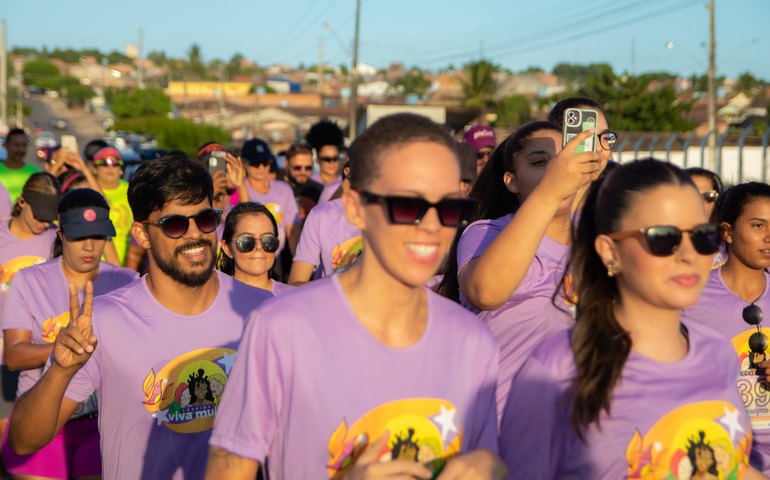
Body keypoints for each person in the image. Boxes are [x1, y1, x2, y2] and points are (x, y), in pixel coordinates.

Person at [206, 113, 506, 479]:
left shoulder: (473, 341)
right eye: (408, 206)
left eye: (448, 209)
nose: (431, 226)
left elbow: (483, 458)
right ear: (353, 206)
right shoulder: (280, 330)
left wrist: (490, 469)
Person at [7, 157, 273, 479]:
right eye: (175, 224)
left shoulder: (261, 312)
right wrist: (60, 371)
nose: (195, 235)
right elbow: (23, 441)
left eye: (205, 219)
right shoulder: (104, 321)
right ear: (142, 235)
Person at [498, 159, 762, 479]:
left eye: (702, 235)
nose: (689, 254)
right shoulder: (558, 368)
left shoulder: (717, 352)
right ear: (610, 251)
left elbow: (734, 467)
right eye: (664, 237)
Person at [438, 121, 600, 416]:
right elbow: (485, 292)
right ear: (511, 181)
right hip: (502, 430)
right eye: (541, 162)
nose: (557, 171)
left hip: (577, 436)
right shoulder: (486, 233)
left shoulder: (598, 245)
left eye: (564, 160)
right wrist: (550, 192)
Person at [1, 188, 138, 480]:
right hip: (40, 417)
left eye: (98, 236)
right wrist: (63, 350)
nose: (89, 247)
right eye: (79, 237)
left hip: (102, 424)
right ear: (60, 234)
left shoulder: (127, 282)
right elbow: (13, 356)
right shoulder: (30, 279)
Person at [682, 182, 770, 474]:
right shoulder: (689, 298)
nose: (769, 237)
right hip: (719, 458)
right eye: (758, 225)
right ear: (727, 231)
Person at [0, 173, 60, 401]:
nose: (44, 223)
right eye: (39, 216)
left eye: (50, 217)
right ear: (22, 201)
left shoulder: (56, 237)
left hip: (41, 347)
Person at [288, 163, 363, 285]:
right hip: (331, 301)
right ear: (348, 172)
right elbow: (295, 283)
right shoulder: (322, 214)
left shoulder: (394, 212)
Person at [240, 138, 299, 259]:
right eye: (255, 163)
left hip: (276, 259)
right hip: (249, 257)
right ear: (244, 163)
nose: (261, 167)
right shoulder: (238, 189)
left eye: (265, 162)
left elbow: (292, 228)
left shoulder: (284, 189)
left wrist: (298, 259)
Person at [218, 202, 293, 295]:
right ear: (227, 248)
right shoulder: (211, 300)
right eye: (246, 241)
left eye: (268, 240)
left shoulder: (293, 298)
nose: (258, 247)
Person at [87, 147, 132, 265]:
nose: (110, 167)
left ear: (121, 169)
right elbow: (104, 203)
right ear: (95, 169)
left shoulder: (130, 191)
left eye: (116, 163)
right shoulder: (85, 190)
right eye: (104, 163)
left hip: (124, 264)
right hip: (94, 264)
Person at [283, 142, 324, 218]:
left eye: (308, 168)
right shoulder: (275, 188)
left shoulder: (319, 190)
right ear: (286, 164)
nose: (303, 172)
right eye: (297, 168)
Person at [1, 128, 40, 202]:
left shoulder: (36, 174)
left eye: (24, 145)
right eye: (16, 145)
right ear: (6, 145)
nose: (21, 149)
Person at [306, 119, 345, 187]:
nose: (332, 162)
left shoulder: (346, 184)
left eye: (335, 158)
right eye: (327, 159)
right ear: (317, 159)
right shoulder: (309, 185)